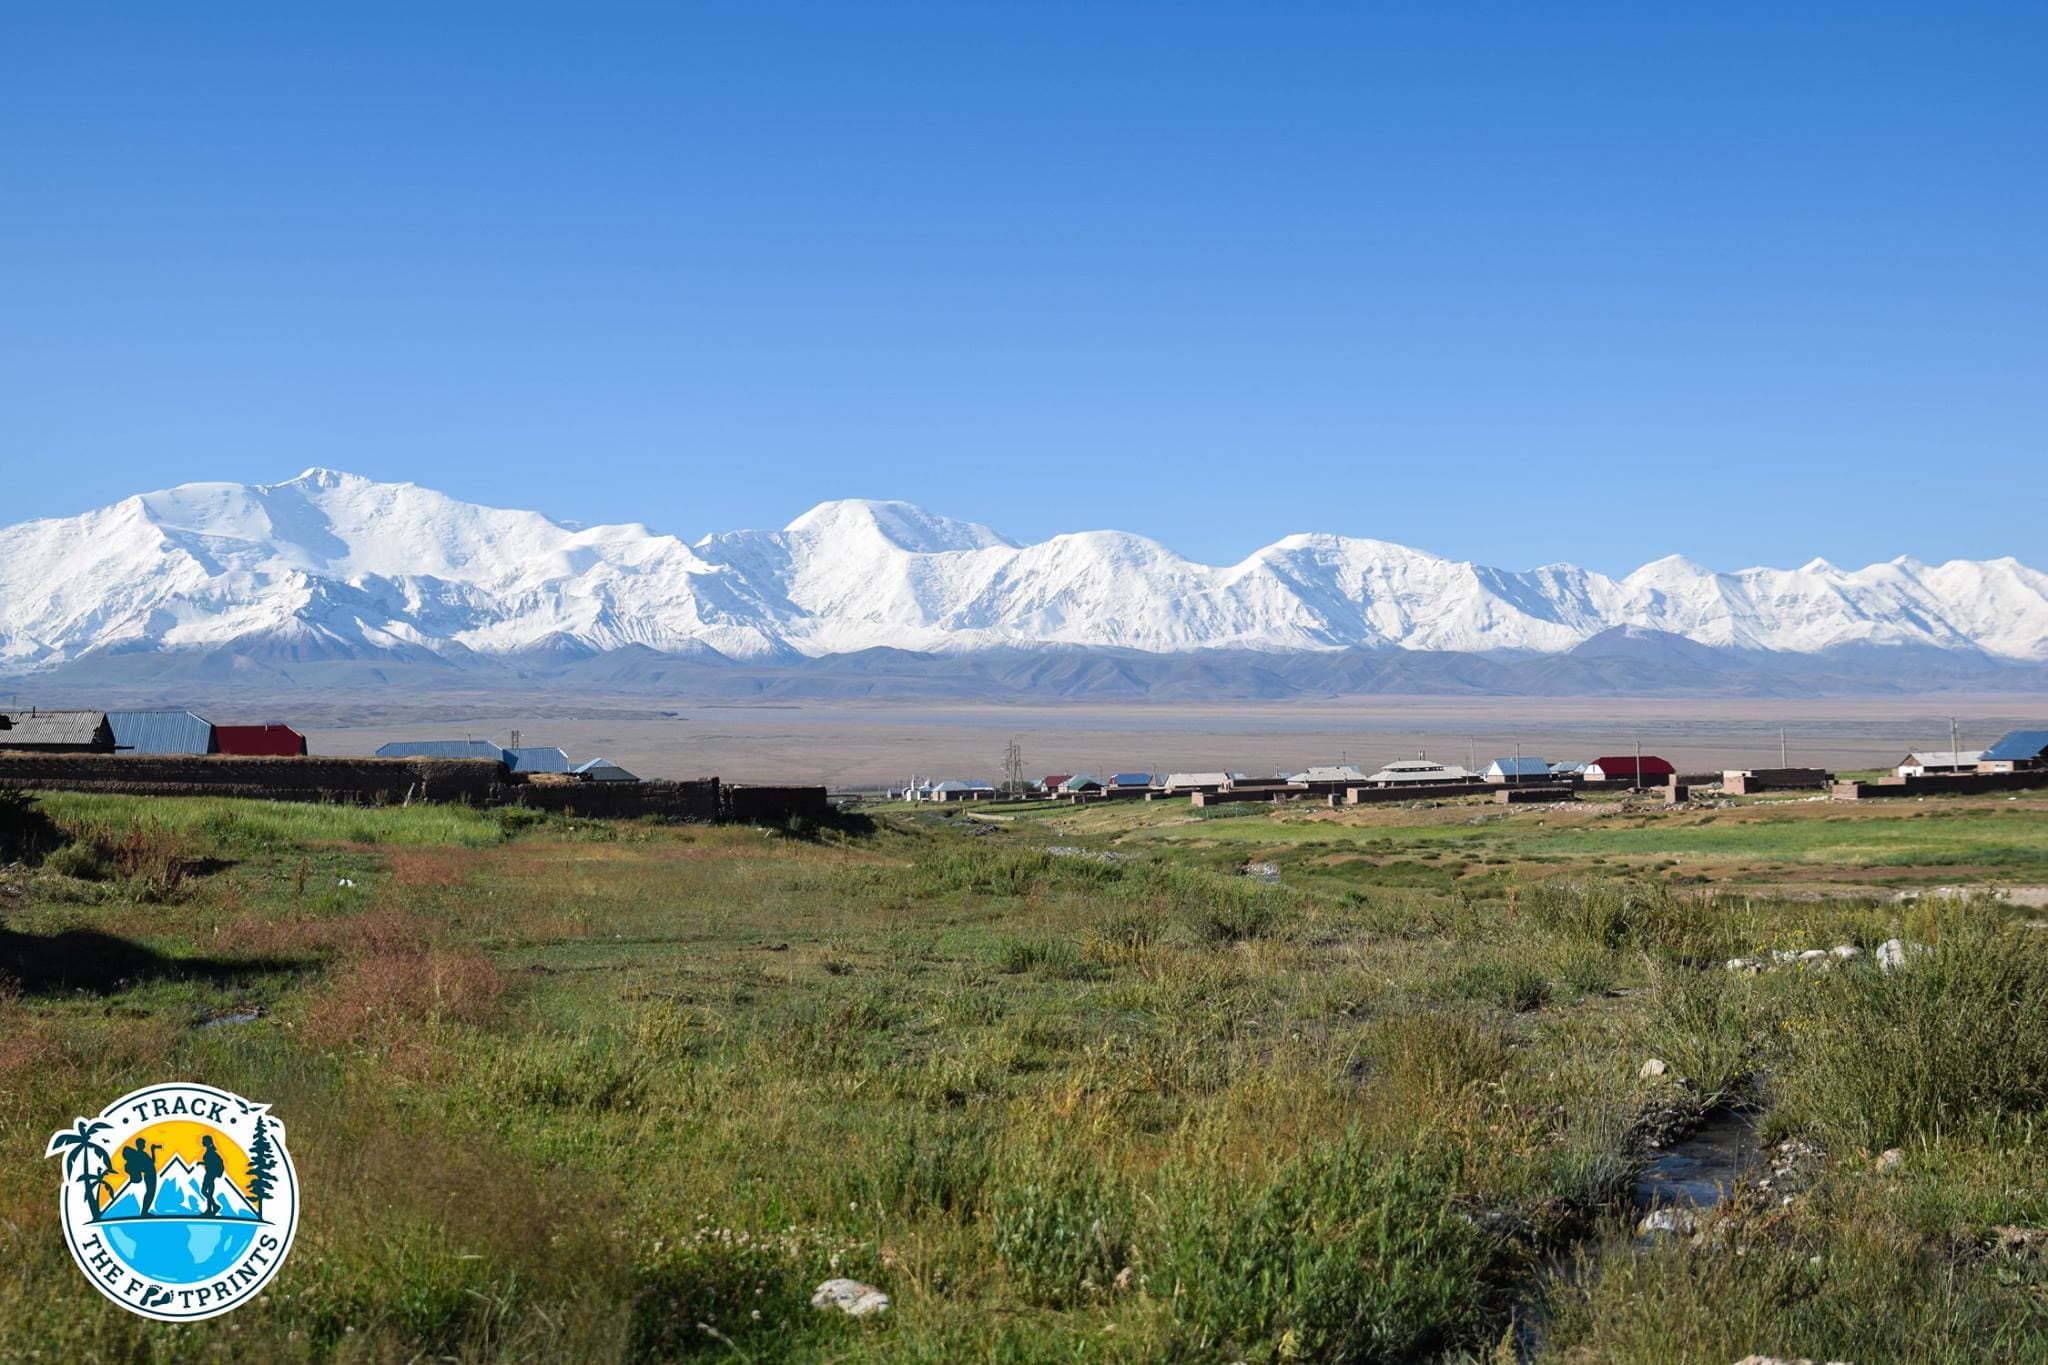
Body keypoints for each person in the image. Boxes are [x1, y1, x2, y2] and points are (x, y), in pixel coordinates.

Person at [120, 1137, 159, 1217]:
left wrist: (152, 1150)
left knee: (150, 1193)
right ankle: (144, 1213)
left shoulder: (141, 1154)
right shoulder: (140, 1155)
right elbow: (150, 1163)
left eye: (144, 1144)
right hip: (150, 1174)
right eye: (143, 1144)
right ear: (139, 1145)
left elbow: (151, 1162)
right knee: (150, 1193)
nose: (144, 1145)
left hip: (150, 1174)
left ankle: (144, 1212)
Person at [198, 1135, 227, 1217]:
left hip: (210, 1174)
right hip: (211, 1174)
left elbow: (211, 1163)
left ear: (207, 1142)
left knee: (204, 1191)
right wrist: (202, 1163)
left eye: (203, 1141)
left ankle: (214, 1206)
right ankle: (210, 1209)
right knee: (209, 1193)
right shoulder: (210, 1151)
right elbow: (210, 1162)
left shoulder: (210, 1152)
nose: (202, 1142)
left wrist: (203, 1163)